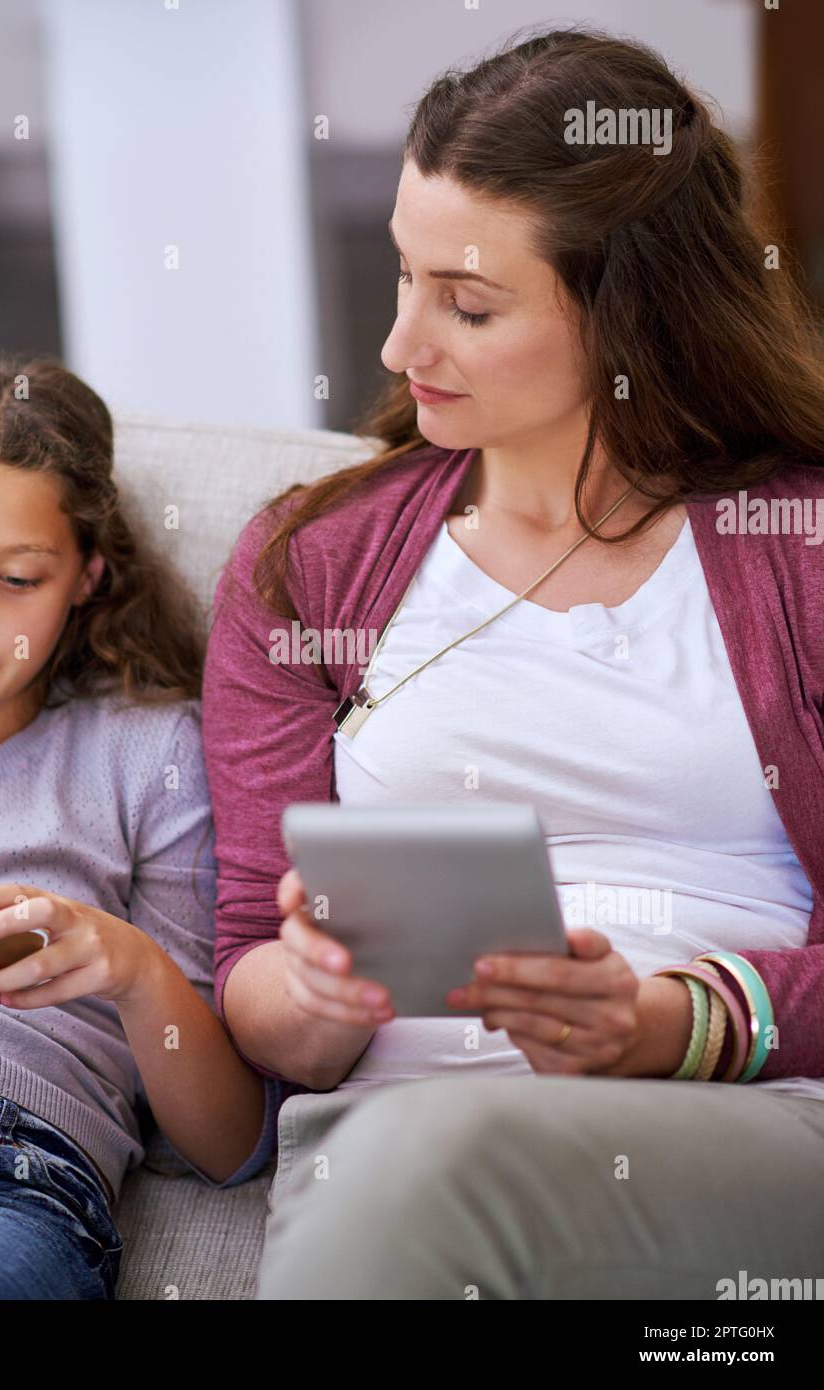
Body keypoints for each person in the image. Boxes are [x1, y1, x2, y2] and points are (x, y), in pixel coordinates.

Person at [201, 28, 824, 1299]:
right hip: (377, 1147)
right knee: (410, 1156)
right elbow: (243, 965)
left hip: (736, 1127)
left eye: (467, 304)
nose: (397, 345)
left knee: (443, 1155)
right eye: (401, 279)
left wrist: (669, 1021)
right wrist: (311, 997)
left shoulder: (797, 552)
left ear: (629, 313)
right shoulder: (305, 565)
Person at [0, 353, 279, 1300]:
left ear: (86, 577)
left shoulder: (151, 755)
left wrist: (135, 972)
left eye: (19, 578)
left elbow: (229, 1149)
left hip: (7, 1170)